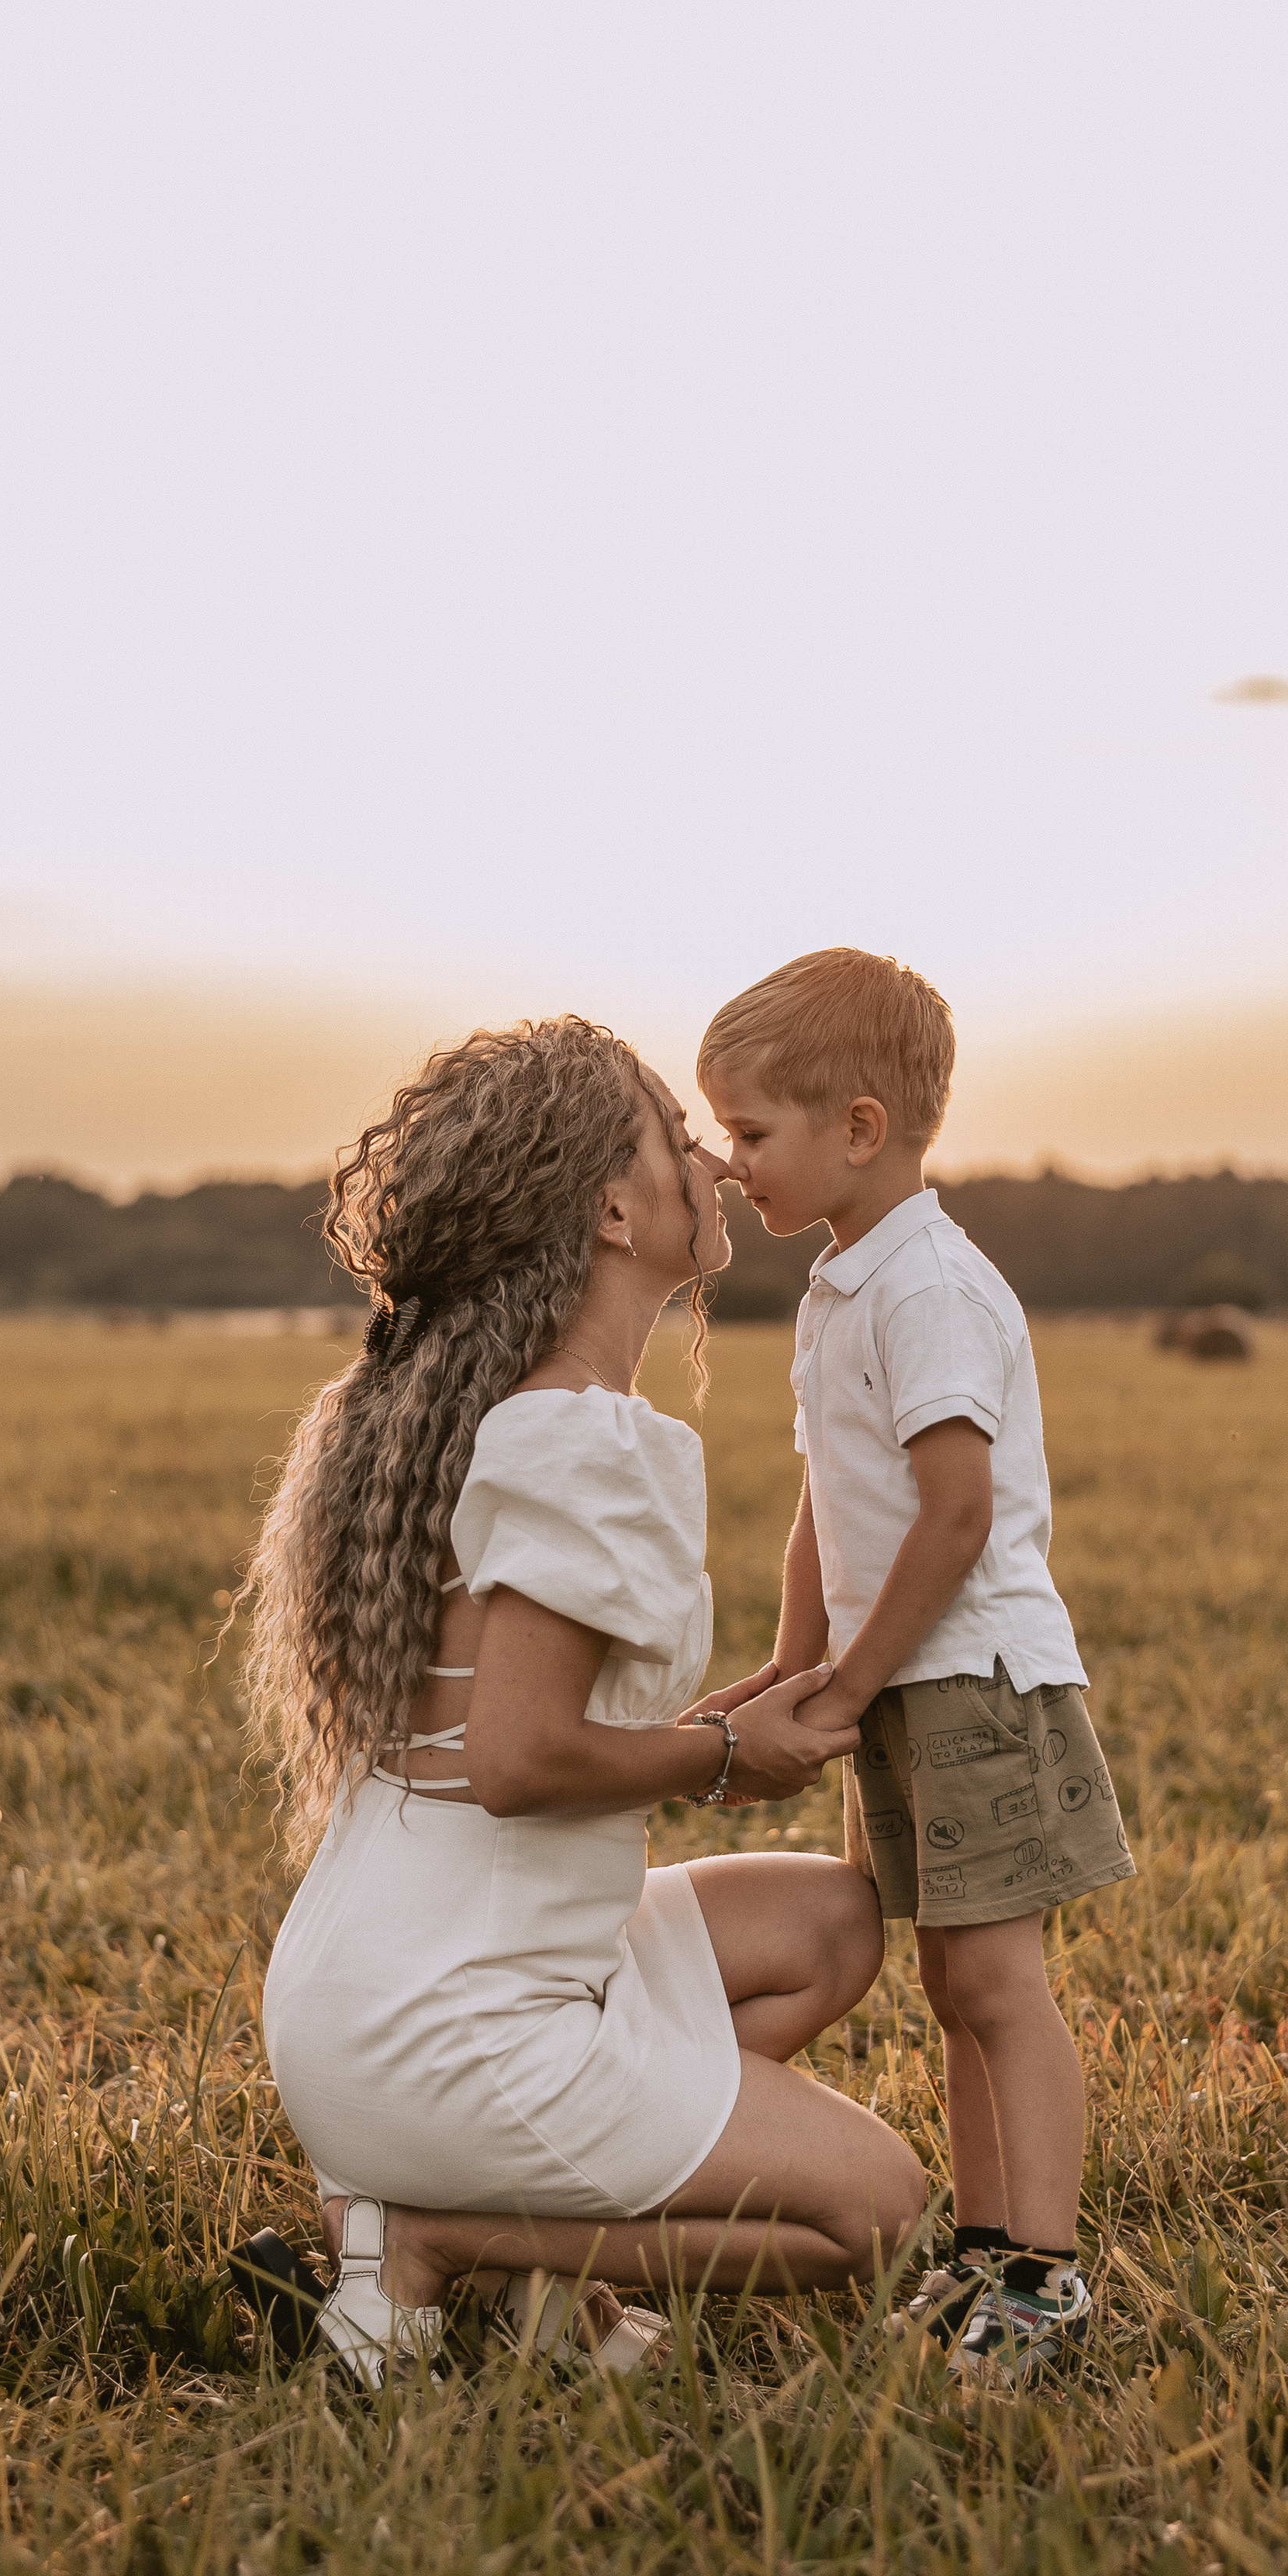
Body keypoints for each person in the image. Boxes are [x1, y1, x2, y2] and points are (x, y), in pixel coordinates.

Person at [232, 1015, 924, 2390]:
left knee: (831, 1921)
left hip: (381, 1989)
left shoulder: (482, 1411)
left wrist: (721, 1729)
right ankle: (437, 2237)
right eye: (676, 1139)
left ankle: (542, 2250)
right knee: (883, 2211)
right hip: (453, 2024)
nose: (714, 1163)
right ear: (614, 1208)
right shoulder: (579, 1434)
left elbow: (498, 1724)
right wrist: (725, 1751)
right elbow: (520, 1754)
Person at [697, 949, 1137, 2391]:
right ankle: (983, 2246)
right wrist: (789, 1661)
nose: (730, 1160)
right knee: (950, 1980)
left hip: (972, 1678)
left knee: (999, 1982)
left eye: (754, 1133)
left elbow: (956, 1515)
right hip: (897, 1680)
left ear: (862, 1128)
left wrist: (847, 1683)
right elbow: (834, 1501)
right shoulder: (842, 1284)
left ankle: (1045, 2275)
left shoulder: (931, 1287)